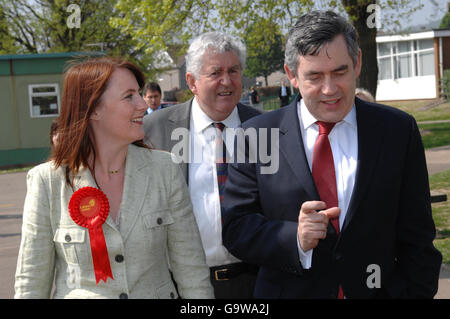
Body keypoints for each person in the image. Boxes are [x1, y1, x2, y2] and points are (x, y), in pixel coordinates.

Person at [221, 10, 442, 298]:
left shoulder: (398, 130)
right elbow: (237, 229)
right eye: (314, 76)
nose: (329, 89)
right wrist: (295, 238)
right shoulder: (257, 136)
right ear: (292, 76)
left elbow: (418, 236)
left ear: (358, 63)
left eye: (340, 72)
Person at [14, 56, 214, 299]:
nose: (143, 104)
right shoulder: (47, 181)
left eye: (140, 94)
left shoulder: (165, 169)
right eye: (129, 96)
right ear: (94, 109)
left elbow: (191, 270)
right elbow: (31, 282)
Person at [143, 32, 262, 298]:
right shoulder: (154, 130)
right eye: (215, 73)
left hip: (253, 283)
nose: (227, 81)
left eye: (233, 71)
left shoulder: (267, 128)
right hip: (181, 285)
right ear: (192, 81)